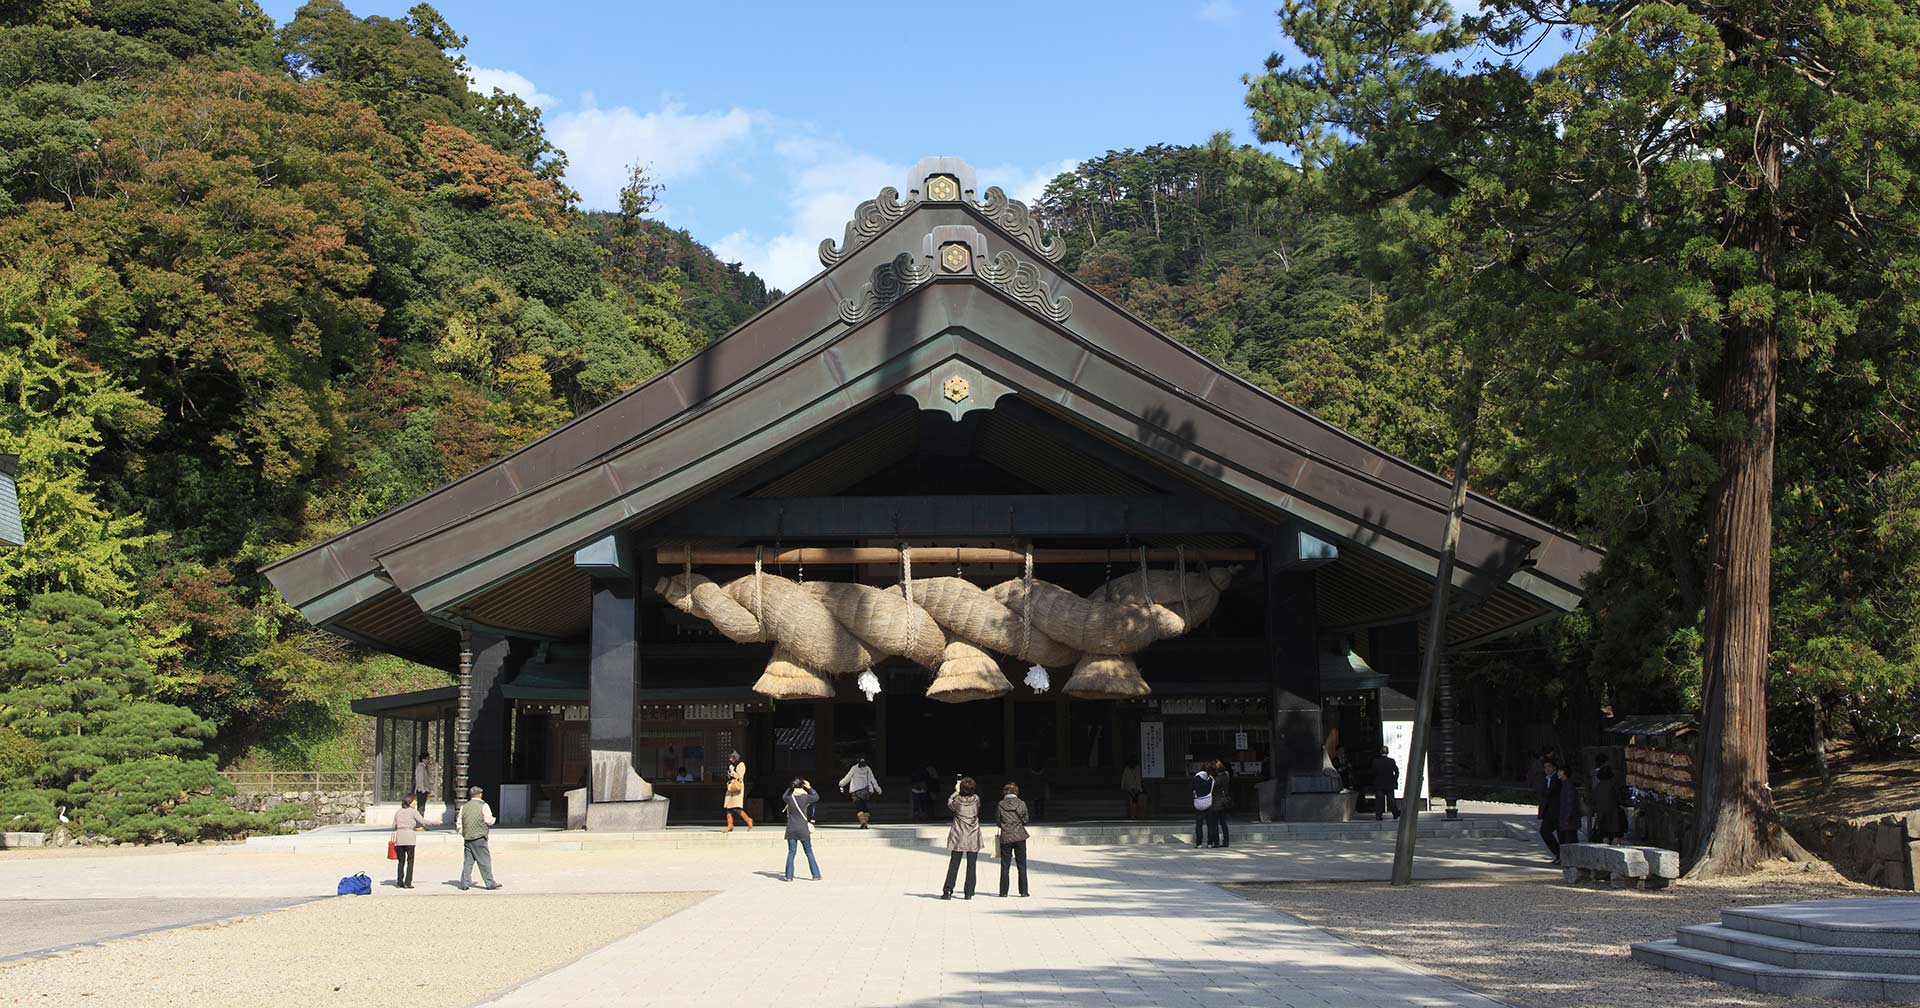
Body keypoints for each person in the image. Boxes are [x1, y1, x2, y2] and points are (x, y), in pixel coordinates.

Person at [941, 776, 982, 899]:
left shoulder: (957, 801)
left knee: (954, 864)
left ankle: (948, 890)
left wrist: (956, 791)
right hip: (973, 835)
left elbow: (949, 802)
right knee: (971, 865)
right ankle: (969, 892)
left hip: (958, 835)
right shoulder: (976, 799)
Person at [458, 786, 501, 891]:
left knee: (468, 862)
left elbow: (459, 822)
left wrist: (463, 833)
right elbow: (488, 820)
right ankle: (490, 883)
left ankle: (464, 883)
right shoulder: (484, 805)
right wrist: (494, 819)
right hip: (479, 837)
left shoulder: (464, 806)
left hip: (467, 837)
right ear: (480, 794)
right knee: (484, 861)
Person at [782, 777, 821, 881]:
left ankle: (789, 876)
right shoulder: (806, 797)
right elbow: (816, 797)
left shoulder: (789, 798)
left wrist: (791, 788)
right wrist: (809, 787)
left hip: (791, 829)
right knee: (809, 852)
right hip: (803, 829)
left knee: (791, 852)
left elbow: (785, 795)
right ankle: (816, 875)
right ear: (802, 786)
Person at [996, 781, 1031, 897]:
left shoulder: (1000, 804)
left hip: (1006, 836)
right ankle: (1024, 891)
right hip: (1020, 836)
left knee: (1005, 865)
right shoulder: (1021, 803)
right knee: (1022, 865)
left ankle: (1003, 892)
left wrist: (1006, 826)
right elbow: (1025, 820)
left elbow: (998, 821)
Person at [390, 794, 431, 889]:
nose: (416, 802)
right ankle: (408, 882)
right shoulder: (413, 811)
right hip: (410, 838)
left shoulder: (398, 812)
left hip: (399, 838)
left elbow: (393, 826)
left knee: (401, 861)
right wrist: (436, 823)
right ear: (409, 802)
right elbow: (422, 821)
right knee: (410, 861)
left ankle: (399, 882)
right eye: (414, 800)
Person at [1590, 757, 1627, 844]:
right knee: (1615, 834)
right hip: (1613, 812)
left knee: (1604, 834)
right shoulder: (1613, 784)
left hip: (1601, 813)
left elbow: (1593, 800)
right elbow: (1619, 797)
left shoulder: (1597, 787)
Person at [840, 755, 881, 829]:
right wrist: (878, 789)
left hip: (856, 792)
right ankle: (865, 823)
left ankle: (862, 822)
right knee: (865, 807)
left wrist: (841, 783)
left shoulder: (854, 768)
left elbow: (847, 778)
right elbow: (873, 779)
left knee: (859, 807)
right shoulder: (868, 769)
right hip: (865, 791)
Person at [1538, 757, 1565, 862]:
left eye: (1549, 766)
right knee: (1544, 831)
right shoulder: (1545, 779)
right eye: (1545, 767)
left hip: (1558, 811)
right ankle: (1557, 853)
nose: (1547, 769)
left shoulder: (1557, 778)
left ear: (1554, 767)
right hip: (1548, 811)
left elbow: (1549, 792)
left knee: (1561, 835)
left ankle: (1562, 856)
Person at [723, 750, 754, 832]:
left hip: (737, 787)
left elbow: (739, 777)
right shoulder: (732, 765)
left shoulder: (741, 764)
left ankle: (748, 820)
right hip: (731, 787)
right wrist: (730, 771)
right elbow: (729, 776)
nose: (730, 759)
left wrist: (732, 772)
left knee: (736, 807)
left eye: (732, 757)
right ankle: (730, 825)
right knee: (728, 807)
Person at [1191, 764, 1219, 848]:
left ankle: (1199, 843)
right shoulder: (1211, 780)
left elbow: (1191, 788)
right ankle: (1210, 843)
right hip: (1208, 802)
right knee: (1210, 824)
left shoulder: (1196, 778)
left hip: (1198, 802)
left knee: (1199, 824)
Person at [1554, 765, 1582, 849]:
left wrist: (1567, 817)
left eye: (1560, 771)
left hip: (1570, 819)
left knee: (1571, 842)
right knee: (1569, 841)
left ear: (1564, 773)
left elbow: (1570, 803)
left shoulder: (1568, 785)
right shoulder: (1564, 784)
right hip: (1567, 819)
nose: (1558, 773)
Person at [1370, 747, 1401, 821]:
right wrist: (1394, 779)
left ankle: (1378, 816)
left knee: (1379, 801)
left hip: (1379, 784)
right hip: (1389, 784)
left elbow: (1372, 772)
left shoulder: (1376, 761)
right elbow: (1396, 771)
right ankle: (1395, 814)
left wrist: (1375, 780)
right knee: (1391, 800)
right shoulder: (1391, 761)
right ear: (1388, 752)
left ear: (1380, 752)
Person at [1209, 759, 1233, 848]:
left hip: (1215, 801)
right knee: (1223, 823)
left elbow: (1213, 786)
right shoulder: (1226, 774)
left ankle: (1216, 842)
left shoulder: (1216, 778)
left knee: (1215, 823)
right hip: (1224, 800)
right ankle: (1226, 841)